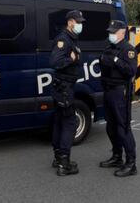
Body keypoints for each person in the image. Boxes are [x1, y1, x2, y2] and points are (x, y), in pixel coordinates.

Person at [99, 20, 138, 177]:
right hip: (108, 90)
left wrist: (116, 61)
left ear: (122, 33)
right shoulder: (109, 48)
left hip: (120, 92)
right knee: (111, 127)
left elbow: (131, 70)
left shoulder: (128, 50)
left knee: (123, 128)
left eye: (114, 32)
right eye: (110, 32)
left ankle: (131, 163)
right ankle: (117, 156)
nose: (111, 35)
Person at [49, 10, 85, 176]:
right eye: (78, 22)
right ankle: (64, 163)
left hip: (63, 87)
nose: (80, 25)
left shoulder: (71, 38)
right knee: (69, 123)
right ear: (70, 22)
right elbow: (55, 62)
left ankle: (58, 157)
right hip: (64, 88)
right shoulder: (64, 39)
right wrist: (72, 59)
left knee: (59, 120)